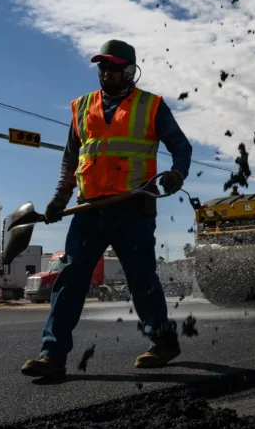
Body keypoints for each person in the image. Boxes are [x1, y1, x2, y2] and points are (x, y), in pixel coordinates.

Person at [21, 39, 193, 378]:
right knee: (69, 281)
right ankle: (52, 356)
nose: (106, 72)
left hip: (132, 206)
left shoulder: (151, 105)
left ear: (129, 70)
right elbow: (72, 159)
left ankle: (163, 341)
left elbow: (181, 147)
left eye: (113, 67)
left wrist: (176, 174)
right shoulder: (83, 107)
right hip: (88, 210)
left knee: (141, 279)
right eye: (102, 66)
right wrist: (60, 197)